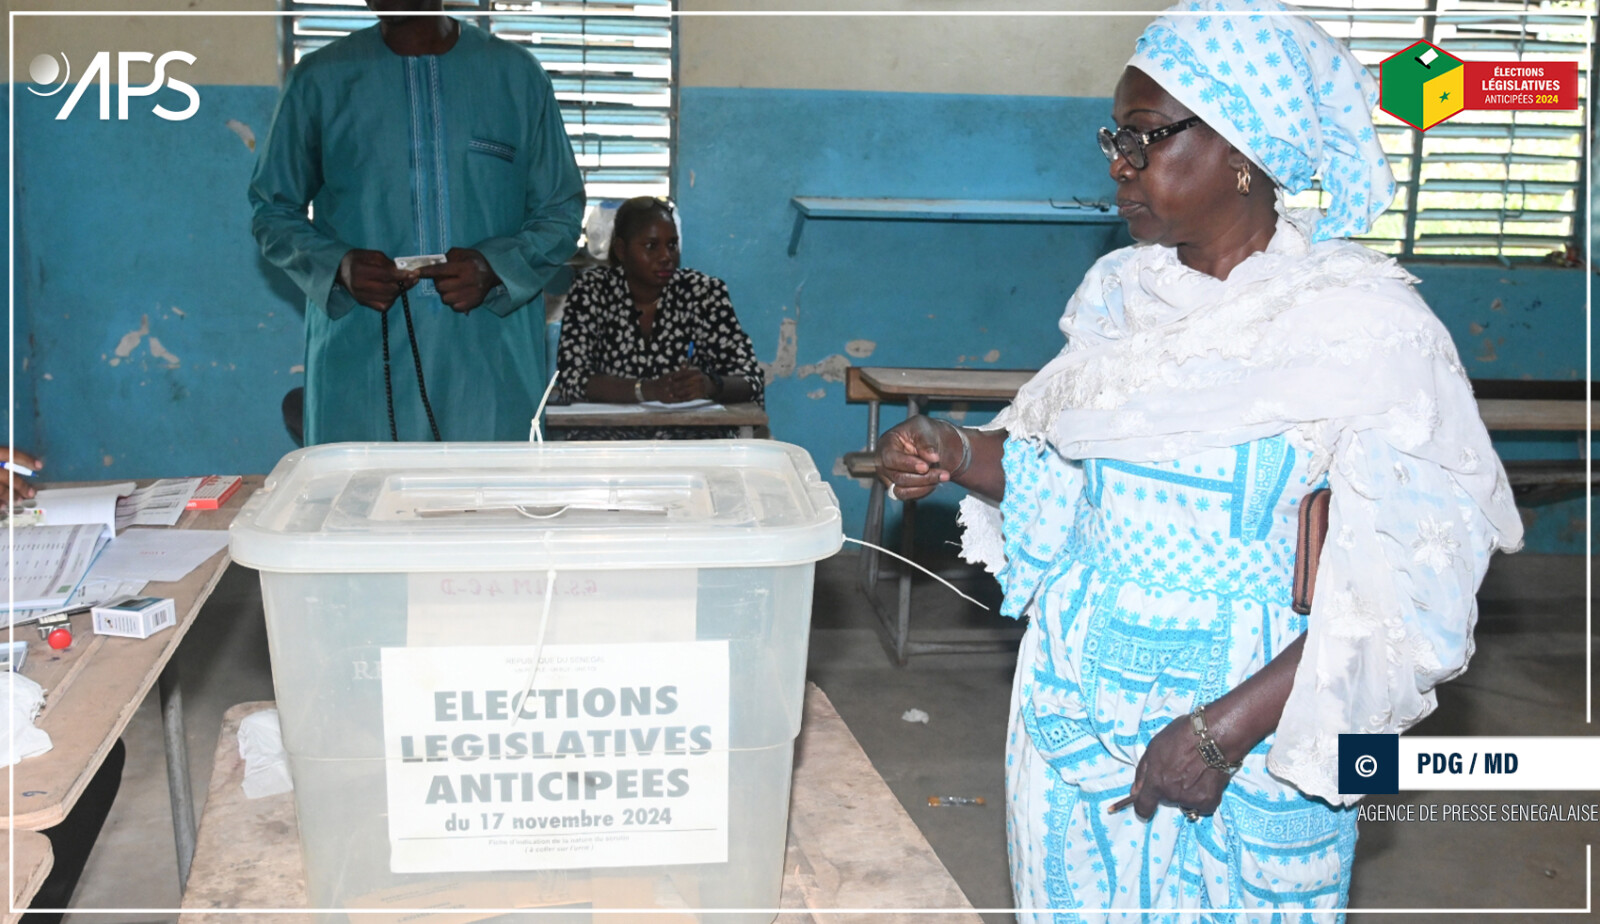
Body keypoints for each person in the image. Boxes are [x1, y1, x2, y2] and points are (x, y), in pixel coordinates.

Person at [875, 1, 1523, 917]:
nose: (1118, 163)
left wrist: (1223, 733)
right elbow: (1069, 488)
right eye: (1114, 138)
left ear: (1243, 148)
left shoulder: (1364, 329)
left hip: (1265, 723)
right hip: (1077, 709)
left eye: (1143, 136)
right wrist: (957, 449)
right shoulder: (1118, 297)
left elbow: (1410, 593)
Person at [249, 0, 584, 444]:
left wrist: (495, 267)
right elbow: (272, 211)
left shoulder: (515, 76)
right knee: (358, 488)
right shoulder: (320, 80)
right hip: (362, 362)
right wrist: (339, 267)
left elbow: (561, 210)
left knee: (488, 488)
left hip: (487, 364)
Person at [555, 197, 765, 439]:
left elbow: (750, 379)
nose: (666, 256)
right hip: (609, 440)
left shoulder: (703, 293)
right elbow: (572, 379)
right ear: (621, 250)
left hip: (691, 439)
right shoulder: (592, 292)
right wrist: (647, 390)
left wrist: (709, 385)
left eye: (672, 245)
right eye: (651, 246)